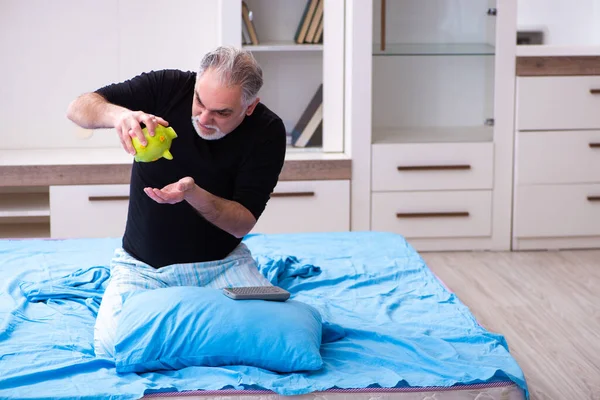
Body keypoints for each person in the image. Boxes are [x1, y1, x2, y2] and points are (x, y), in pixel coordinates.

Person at [66, 45, 287, 359]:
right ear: (196, 84)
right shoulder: (167, 87)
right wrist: (122, 115)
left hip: (222, 266)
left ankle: (180, 332)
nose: (203, 118)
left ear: (250, 107)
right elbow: (78, 108)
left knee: (275, 335)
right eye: (199, 101)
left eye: (222, 112)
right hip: (141, 268)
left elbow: (242, 223)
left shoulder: (267, 130)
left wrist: (193, 194)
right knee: (111, 347)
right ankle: (208, 329)